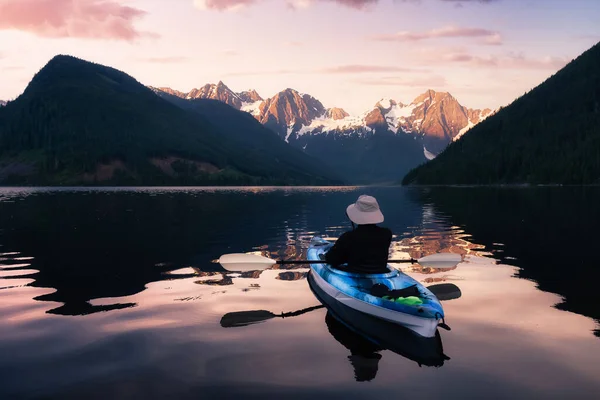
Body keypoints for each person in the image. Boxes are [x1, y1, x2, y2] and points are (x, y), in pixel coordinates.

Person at [324, 195, 392, 274]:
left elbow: (331, 259)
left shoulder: (348, 237)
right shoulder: (387, 234)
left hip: (355, 275)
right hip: (380, 272)